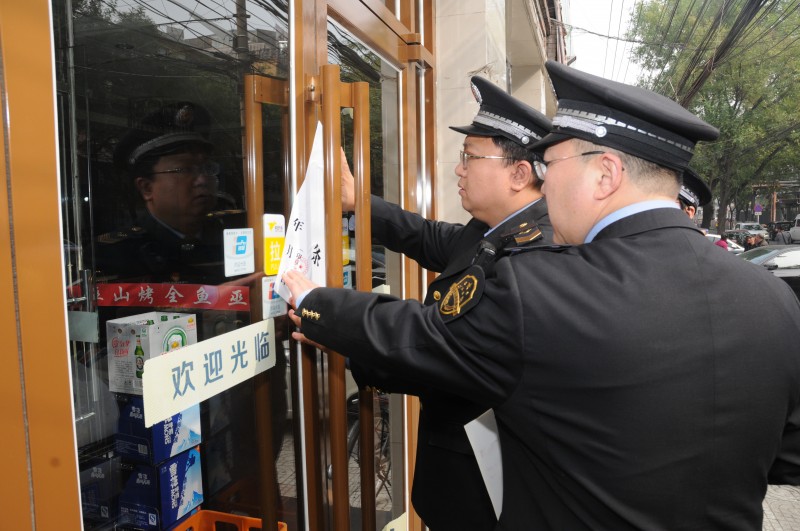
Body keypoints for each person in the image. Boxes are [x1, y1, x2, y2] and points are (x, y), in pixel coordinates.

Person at [284, 60, 800, 529]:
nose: (544, 185)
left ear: (605, 173)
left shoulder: (543, 288)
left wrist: (314, 303)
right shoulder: (774, 299)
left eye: (551, 167)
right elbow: (786, 453)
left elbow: (417, 335)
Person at [340, 76, 554, 530]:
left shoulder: (536, 254)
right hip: (459, 473)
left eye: (470, 158)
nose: (459, 170)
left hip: (487, 492)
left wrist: (339, 328)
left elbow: (441, 352)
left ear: (519, 173)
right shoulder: (491, 229)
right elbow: (425, 235)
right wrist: (354, 201)